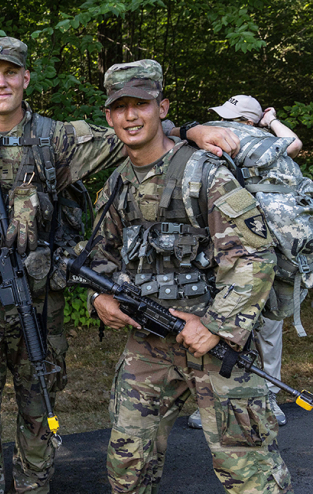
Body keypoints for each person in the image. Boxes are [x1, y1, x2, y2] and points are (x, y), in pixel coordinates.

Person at [0, 37, 238, 494]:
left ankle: (33, 488)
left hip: (40, 306)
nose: (2, 82)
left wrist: (192, 131)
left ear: (26, 78)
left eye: (12, 73)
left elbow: (137, 132)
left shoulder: (59, 138)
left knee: (38, 409)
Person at [88, 60, 292, 493]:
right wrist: (99, 300)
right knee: (127, 470)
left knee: (251, 475)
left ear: (162, 107)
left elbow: (253, 258)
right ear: (108, 116)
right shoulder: (116, 185)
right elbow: (99, 257)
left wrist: (216, 327)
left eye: (140, 104)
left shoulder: (202, 171)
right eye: (119, 107)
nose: (130, 115)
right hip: (147, 344)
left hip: (215, 344)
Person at [184, 94, 305, 431]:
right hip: (246, 244)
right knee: (255, 321)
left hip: (244, 245)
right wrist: (272, 121)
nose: (226, 125)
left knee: (238, 318)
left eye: (234, 119)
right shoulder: (268, 141)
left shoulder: (243, 142)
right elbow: (293, 144)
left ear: (247, 123)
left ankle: (250, 400)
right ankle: (256, 398)